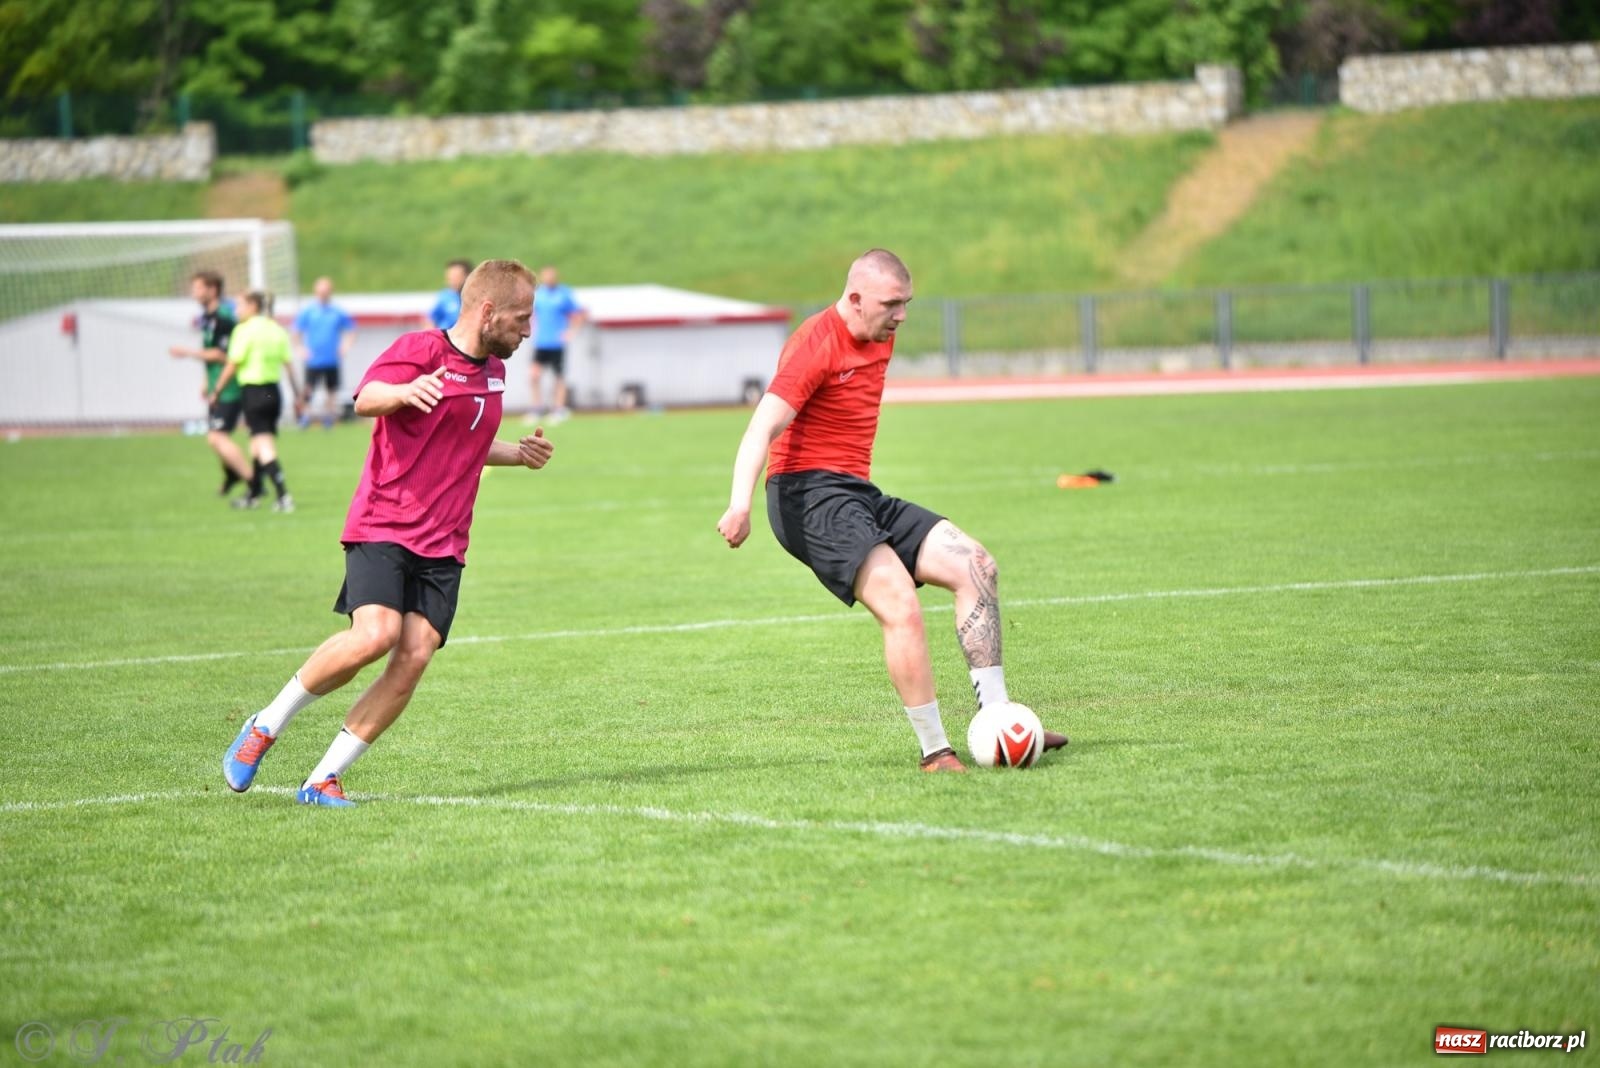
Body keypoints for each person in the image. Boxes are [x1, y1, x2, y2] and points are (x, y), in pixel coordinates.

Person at [715, 249, 1067, 773]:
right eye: (891, 304)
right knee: (899, 601)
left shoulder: (878, 329)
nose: (901, 315)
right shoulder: (814, 344)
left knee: (976, 565)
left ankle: (999, 721)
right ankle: (935, 751)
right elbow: (760, 427)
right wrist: (739, 505)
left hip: (855, 492)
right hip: (805, 496)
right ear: (854, 300)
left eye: (906, 303)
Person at [222, 259, 554, 807]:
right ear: (488, 311)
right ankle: (265, 725)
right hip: (387, 520)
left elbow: (464, 444)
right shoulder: (422, 350)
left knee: (415, 653)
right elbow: (366, 398)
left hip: (447, 539)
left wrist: (518, 454)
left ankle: (322, 779)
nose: (527, 330)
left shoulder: (495, 371)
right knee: (374, 635)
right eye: (520, 317)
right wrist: (405, 392)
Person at [210, 291, 304, 512]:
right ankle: (253, 494)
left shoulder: (244, 330)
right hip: (273, 393)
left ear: (253, 305)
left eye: (240, 305)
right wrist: (297, 396)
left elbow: (233, 363)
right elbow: (289, 367)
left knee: (263, 445)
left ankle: (283, 495)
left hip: (254, 392)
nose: (236, 310)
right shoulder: (277, 329)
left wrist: (217, 391)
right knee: (256, 444)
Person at [169, 270, 253, 499]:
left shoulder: (224, 317)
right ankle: (233, 474)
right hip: (218, 385)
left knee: (216, 437)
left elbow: (222, 354)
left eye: (198, 288)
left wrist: (186, 352)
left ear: (212, 289)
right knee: (215, 436)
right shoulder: (208, 317)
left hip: (230, 387)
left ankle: (253, 481)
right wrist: (207, 380)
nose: (193, 292)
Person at [292, 276, 355, 429]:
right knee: (309, 388)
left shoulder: (337, 312)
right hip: (313, 359)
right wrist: (300, 349)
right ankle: (305, 416)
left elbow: (351, 330)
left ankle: (328, 417)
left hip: (331, 358)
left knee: (331, 390)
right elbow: (296, 332)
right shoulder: (309, 311)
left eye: (326, 291)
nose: (323, 294)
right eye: (321, 291)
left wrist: (345, 347)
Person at [528, 264, 587, 423]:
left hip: (557, 343)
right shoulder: (538, 295)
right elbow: (532, 314)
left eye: (551, 275)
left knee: (558, 377)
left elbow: (579, 314)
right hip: (541, 342)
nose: (549, 279)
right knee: (534, 375)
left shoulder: (564, 294)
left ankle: (558, 409)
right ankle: (537, 408)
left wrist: (571, 332)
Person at [429, 259, 472, 330]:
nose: (452, 280)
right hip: (446, 338)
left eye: (456, 277)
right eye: (450, 277)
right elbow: (430, 320)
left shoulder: (475, 297)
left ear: (468, 276)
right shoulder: (444, 298)